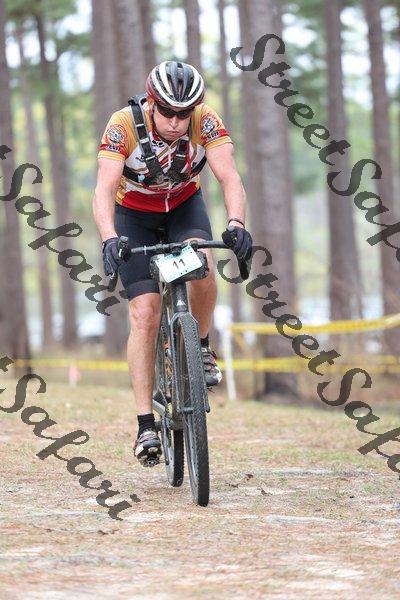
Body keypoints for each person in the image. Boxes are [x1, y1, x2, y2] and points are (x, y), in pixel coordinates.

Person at [93, 61, 252, 466]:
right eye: (167, 112)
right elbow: (104, 187)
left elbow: (229, 176)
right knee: (145, 313)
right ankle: (145, 423)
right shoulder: (123, 125)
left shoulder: (205, 121)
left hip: (183, 208)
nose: (177, 122)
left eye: (185, 113)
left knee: (202, 263)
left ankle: (201, 347)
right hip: (133, 217)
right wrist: (109, 237)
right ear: (151, 103)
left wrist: (236, 224)